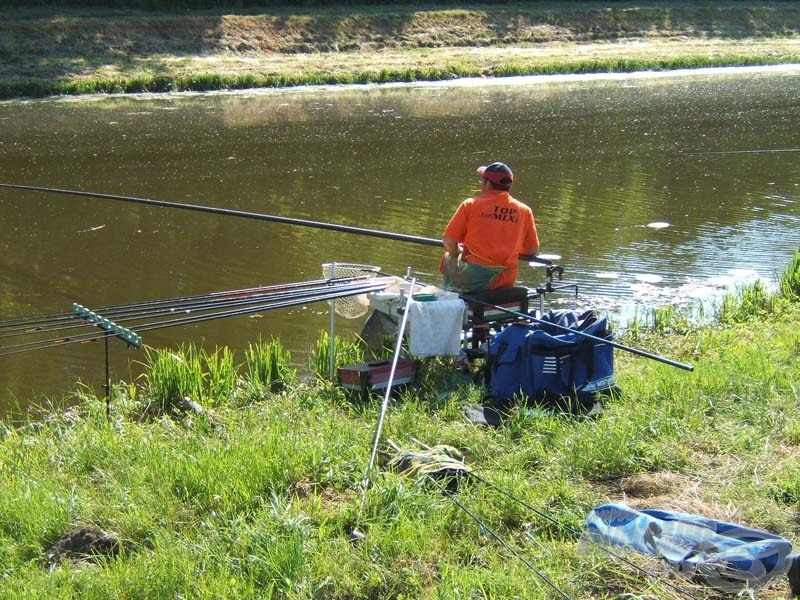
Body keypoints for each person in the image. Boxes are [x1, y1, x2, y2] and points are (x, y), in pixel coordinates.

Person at [440, 161, 539, 293]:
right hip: (505, 278)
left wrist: (459, 251)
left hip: (474, 278)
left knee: (448, 257)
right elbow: (532, 250)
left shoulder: (470, 204)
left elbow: (449, 242)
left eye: (483, 179)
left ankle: (450, 295)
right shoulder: (524, 210)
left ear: (487, 183)